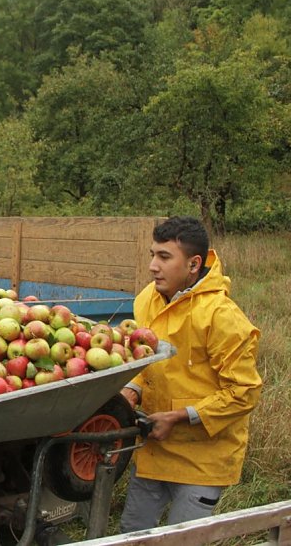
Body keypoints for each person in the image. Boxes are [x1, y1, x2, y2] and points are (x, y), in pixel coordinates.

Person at [118, 216, 262, 533]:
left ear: (194, 264)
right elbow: (146, 361)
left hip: (202, 460)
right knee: (132, 534)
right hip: (155, 448)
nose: (153, 266)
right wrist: (132, 389)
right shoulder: (146, 300)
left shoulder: (221, 317)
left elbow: (244, 393)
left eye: (164, 257)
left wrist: (180, 417)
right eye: (152, 255)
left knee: (182, 539)